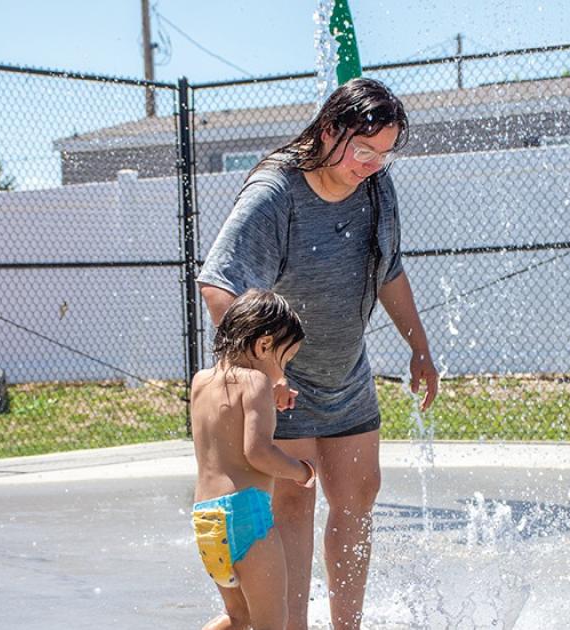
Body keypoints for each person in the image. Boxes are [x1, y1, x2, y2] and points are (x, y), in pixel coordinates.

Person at [197, 77, 438, 630]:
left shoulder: (377, 187)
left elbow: (389, 270)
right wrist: (259, 372)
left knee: (358, 496)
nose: (373, 164)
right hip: (288, 383)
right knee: (293, 502)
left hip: (347, 373)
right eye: (363, 150)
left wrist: (419, 346)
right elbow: (218, 284)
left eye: (384, 154)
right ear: (329, 131)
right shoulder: (275, 193)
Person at [190, 288, 317, 630]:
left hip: (206, 521)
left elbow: (225, 434)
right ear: (263, 346)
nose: (282, 372)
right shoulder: (256, 382)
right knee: (271, 623)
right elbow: (257, 452)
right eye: (284, 361)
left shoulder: (201, 381)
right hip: (245, 516)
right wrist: (300, 471)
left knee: (238, 618)